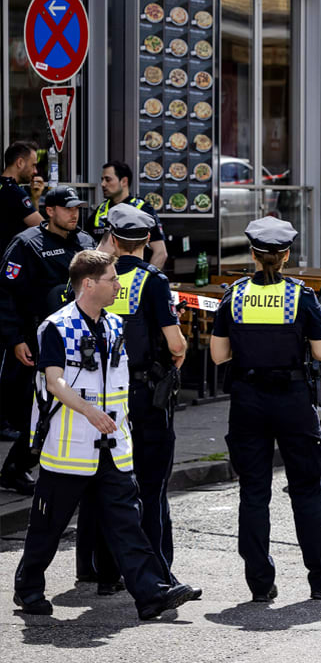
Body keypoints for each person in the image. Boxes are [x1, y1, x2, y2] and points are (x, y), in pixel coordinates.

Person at [12, 249, 198, 619]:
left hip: (112, 446)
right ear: (88, 284)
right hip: (70, 448)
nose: (118, 285)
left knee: (127, 522)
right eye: (112, 279)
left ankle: (150, 594)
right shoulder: (56, 327)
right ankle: (28, 588)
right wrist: (88, 411)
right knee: (48, 525)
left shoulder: (114, 325)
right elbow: (55, 381)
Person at [210, 218, 321, 602]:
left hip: (247, 400)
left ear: (253, 254)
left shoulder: (233, 296)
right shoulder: (301, 297)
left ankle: (259, 584)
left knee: (253, 493)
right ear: (286, 255)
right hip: (292, 401)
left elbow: (219, 356)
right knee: (306, 491)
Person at [75, 205, 189, 594]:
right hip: (145, 396)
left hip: (102, 397)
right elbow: (174, 343)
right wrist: (178, 353)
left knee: (110, 484)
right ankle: (159, 573)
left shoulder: (90, 280)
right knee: (152, 486)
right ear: (146, 241)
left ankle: (105, 572)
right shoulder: (153, 282)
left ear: (111, 237)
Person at [0, 187, 95, 495]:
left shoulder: (85, 242)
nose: (74, 214)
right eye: (67, 209)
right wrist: (15, 339)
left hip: (78, 341)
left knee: (65, 408)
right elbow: (5, 295)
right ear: (49, 210)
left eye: (77, 209)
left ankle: (30, 467)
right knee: (36, 410)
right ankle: (17, 468)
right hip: (35, 342)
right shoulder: (26, 244)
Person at [0, 141, 45, 443]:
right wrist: (37, 199)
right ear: (19, 163)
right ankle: (4, 419)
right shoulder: (15, 193)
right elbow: (41, 229)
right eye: (32, 163)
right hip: (7, 278)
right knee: (7, 357)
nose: (35, 169)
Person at [92, 161, 167, 268]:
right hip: (106, 280)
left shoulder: (142, 209)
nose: (103, 184)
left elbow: (160, 253)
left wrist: (144, 280)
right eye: (102, 180)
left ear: (124, 181)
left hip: (134, 280)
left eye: (108, 179)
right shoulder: (101, 210)